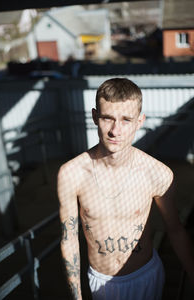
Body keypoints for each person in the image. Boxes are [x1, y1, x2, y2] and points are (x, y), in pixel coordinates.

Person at [57, 78, 194, 300]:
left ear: (140, 121)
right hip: (100, 279)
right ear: (94, 117)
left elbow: (176, 230)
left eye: (126, 120)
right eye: (107, 118)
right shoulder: (72, 173)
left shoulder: (158, 173)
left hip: (145, 276)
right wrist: (77, 296)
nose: (115, 130)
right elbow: (69, 238)